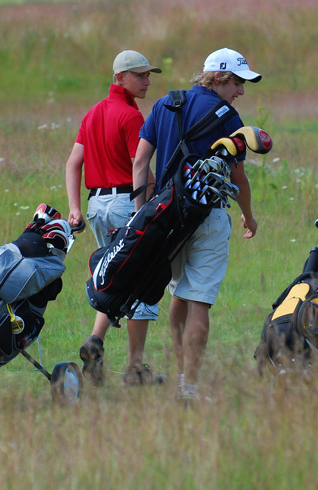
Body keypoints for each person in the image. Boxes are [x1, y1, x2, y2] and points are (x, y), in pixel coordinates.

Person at [133, 48, 261, 403]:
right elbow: (239, 177)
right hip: (209, 217)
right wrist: (248, 215)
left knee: (179, 294)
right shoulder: (228, 118)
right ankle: (189, 387)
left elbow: (141, 161)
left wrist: (141, 214)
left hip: (165, 218)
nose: (241, 91)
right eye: (237, 82)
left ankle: (179, 376)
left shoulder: (165, 104)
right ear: (218, 78)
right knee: (199, 301)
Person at [65, 50, 164, 387]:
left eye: (149, 75)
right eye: (140, 75)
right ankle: (136, 369)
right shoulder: (131, 117)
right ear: (119, 78)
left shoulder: (92, 114)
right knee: (143, 281)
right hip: (127, 204)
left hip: (96, 207)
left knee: (113, 279)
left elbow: (72, 163)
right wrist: (146, 210)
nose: (147, 81)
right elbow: (141, 166)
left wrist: (74, 208)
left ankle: (95, 341)